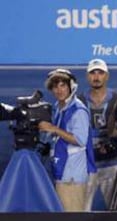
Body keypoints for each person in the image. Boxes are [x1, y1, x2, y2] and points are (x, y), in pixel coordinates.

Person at [38, 68, 96, 211]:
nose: (59, 90)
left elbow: (80, 140)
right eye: (55, 86)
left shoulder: (78, 110)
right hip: (62, 171)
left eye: (63, 85)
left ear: (71, 86)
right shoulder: (58, 107)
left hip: (72, 177)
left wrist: (54, 129)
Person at [79, 59, 117, 211]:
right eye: (93, 73)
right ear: (87, 76)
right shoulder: (79, 100)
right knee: (82, 208)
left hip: (112, 163)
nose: (96, 76)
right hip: (87, 164)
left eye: (100, 73)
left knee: (115, 208)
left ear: (107, 76)